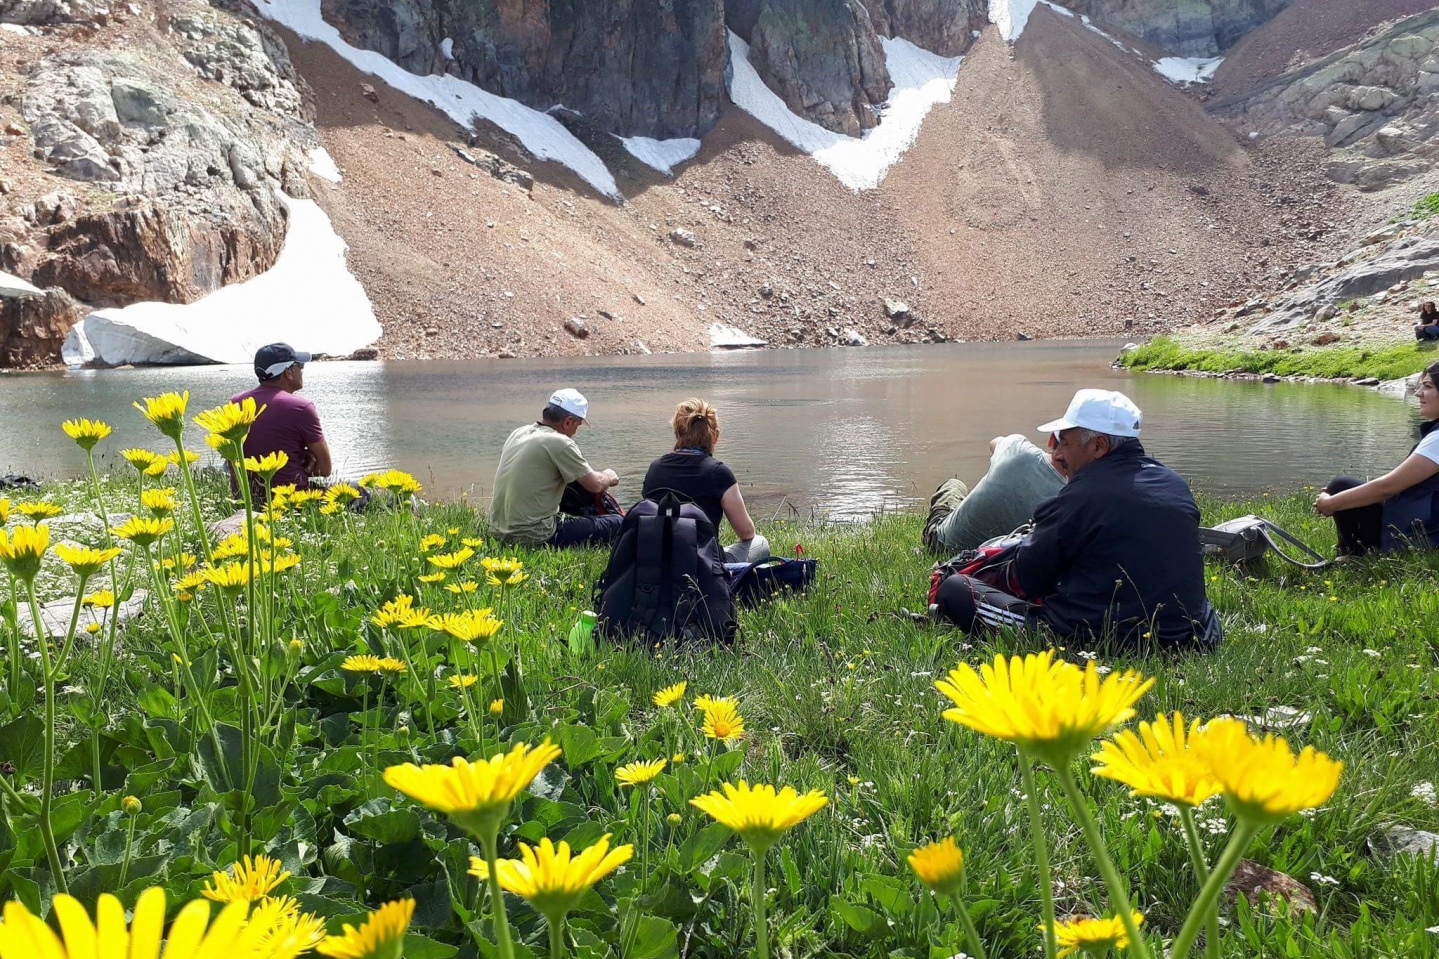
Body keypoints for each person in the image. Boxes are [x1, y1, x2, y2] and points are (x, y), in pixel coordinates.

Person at [934, 389, 1221, 650]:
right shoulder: (1174, 484)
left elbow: (1028, 578)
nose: (1058, 453)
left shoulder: (1080, 496)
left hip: (1095, 638)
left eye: (1065, 442)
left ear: (1099, 446)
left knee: (956, 589)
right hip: (1194, 637)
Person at [1314, 360, 1439, 554]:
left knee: (1342, 485)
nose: (1418, 393)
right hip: (1425, 526)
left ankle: (1356, 554)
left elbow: (1387, 487)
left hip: (1420, 536)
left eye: (1428, 386)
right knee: (1346, 489)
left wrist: (1331, 503)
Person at [489, 389, 623, 548]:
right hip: (533, 535)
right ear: (568, 422)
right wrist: (609, 476)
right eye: (578, 425)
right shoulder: (560, 442)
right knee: (620, 523)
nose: (575, 432)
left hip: (497, 532)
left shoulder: (518, 433)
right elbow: (595, 485)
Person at [642, 398, 769, 563]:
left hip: (657, 562)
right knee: (760, 543)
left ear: (677, 434)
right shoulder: (719, 473)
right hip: (704, 565)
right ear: (716, 436)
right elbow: (746, 532)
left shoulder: (655, 468)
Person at [923, 434, 1066, 554]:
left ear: (1051, 440)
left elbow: (994, 442)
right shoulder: (1069, 497)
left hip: (943, 543)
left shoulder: (1018, 448)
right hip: (989, 561)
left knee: (955, 484)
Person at [231, 343, 330, 500]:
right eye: (300, 366)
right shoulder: (302, 407)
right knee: (358, 492)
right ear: (288, 372)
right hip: (292, 500)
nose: (302, 371)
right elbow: (324, 469)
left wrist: (298, 456)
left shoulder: (236, 402)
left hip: (247, 498)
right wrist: (305, 462)